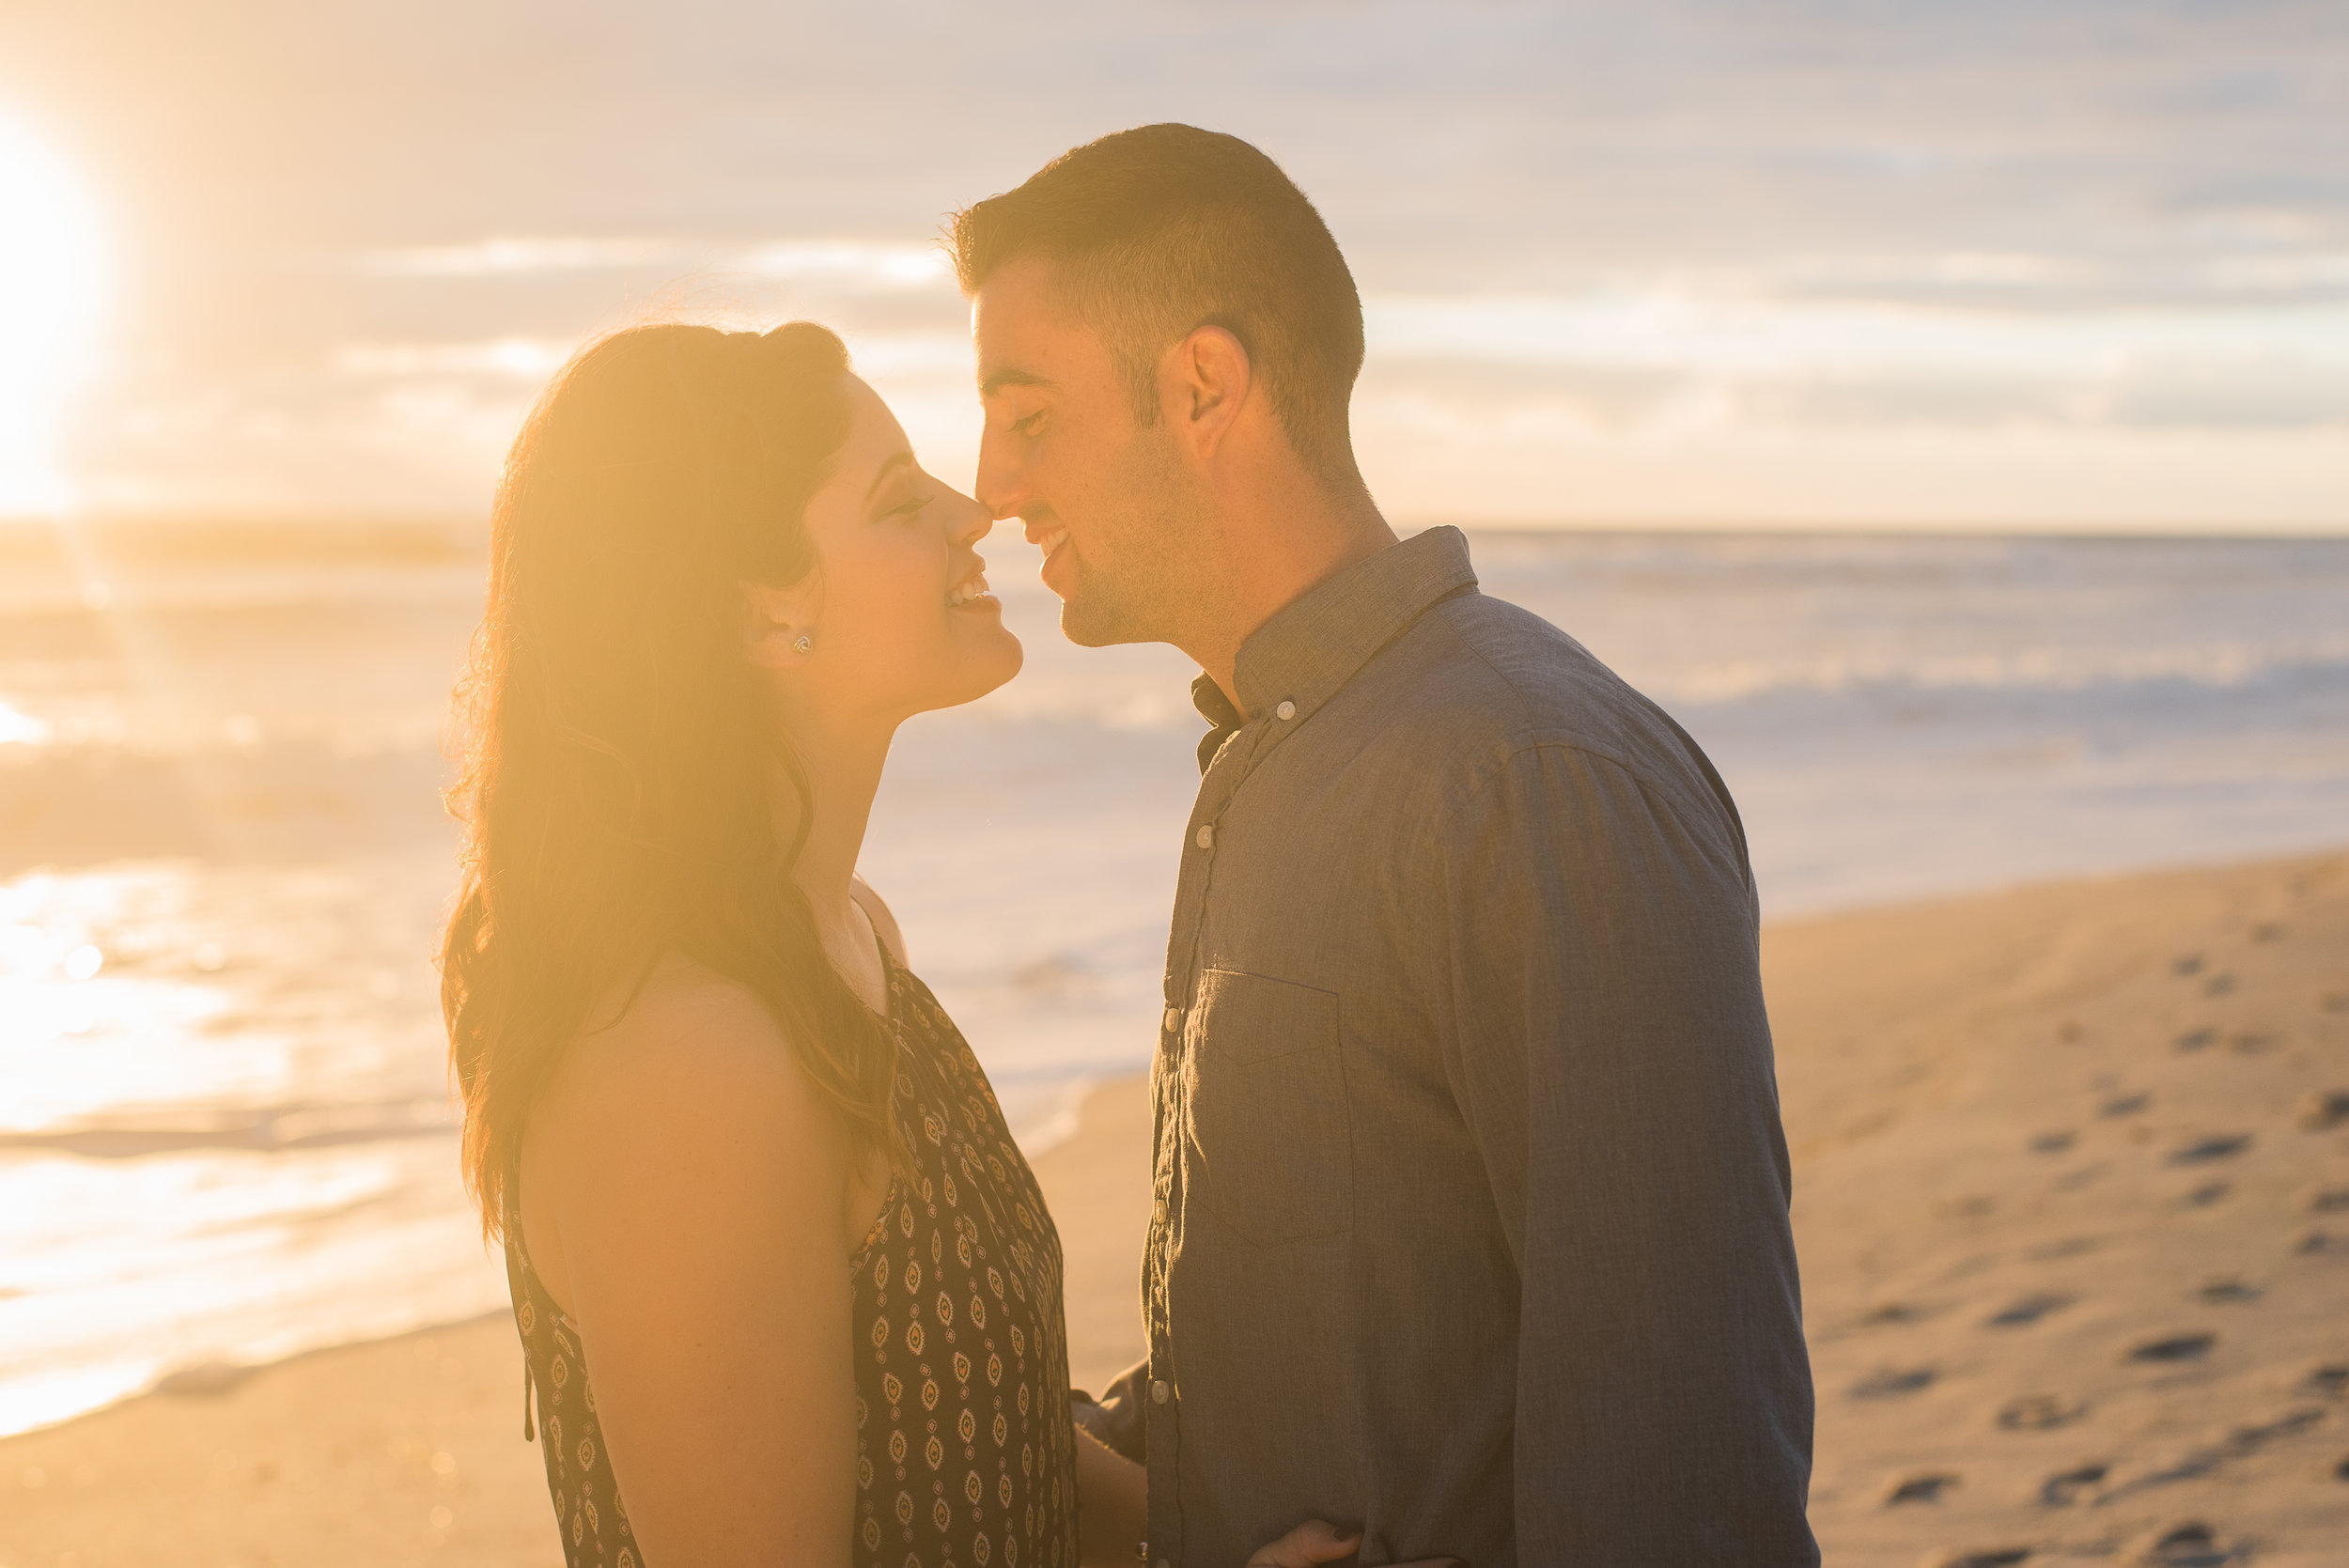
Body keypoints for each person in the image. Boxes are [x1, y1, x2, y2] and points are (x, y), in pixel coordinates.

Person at [955, 125, 1820, 1565]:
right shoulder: (1279, 760)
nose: (991, 480)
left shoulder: (1531, 783)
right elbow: (1306, 1360)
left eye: (1029, 414)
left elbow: (1683, 1467)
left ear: (1202, 386)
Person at [439, 322, 1135, 1567]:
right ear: (763, 611)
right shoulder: (686, 1061)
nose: (973, 514)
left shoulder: (846, 935)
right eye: (898, 500)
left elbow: (999, 1449)